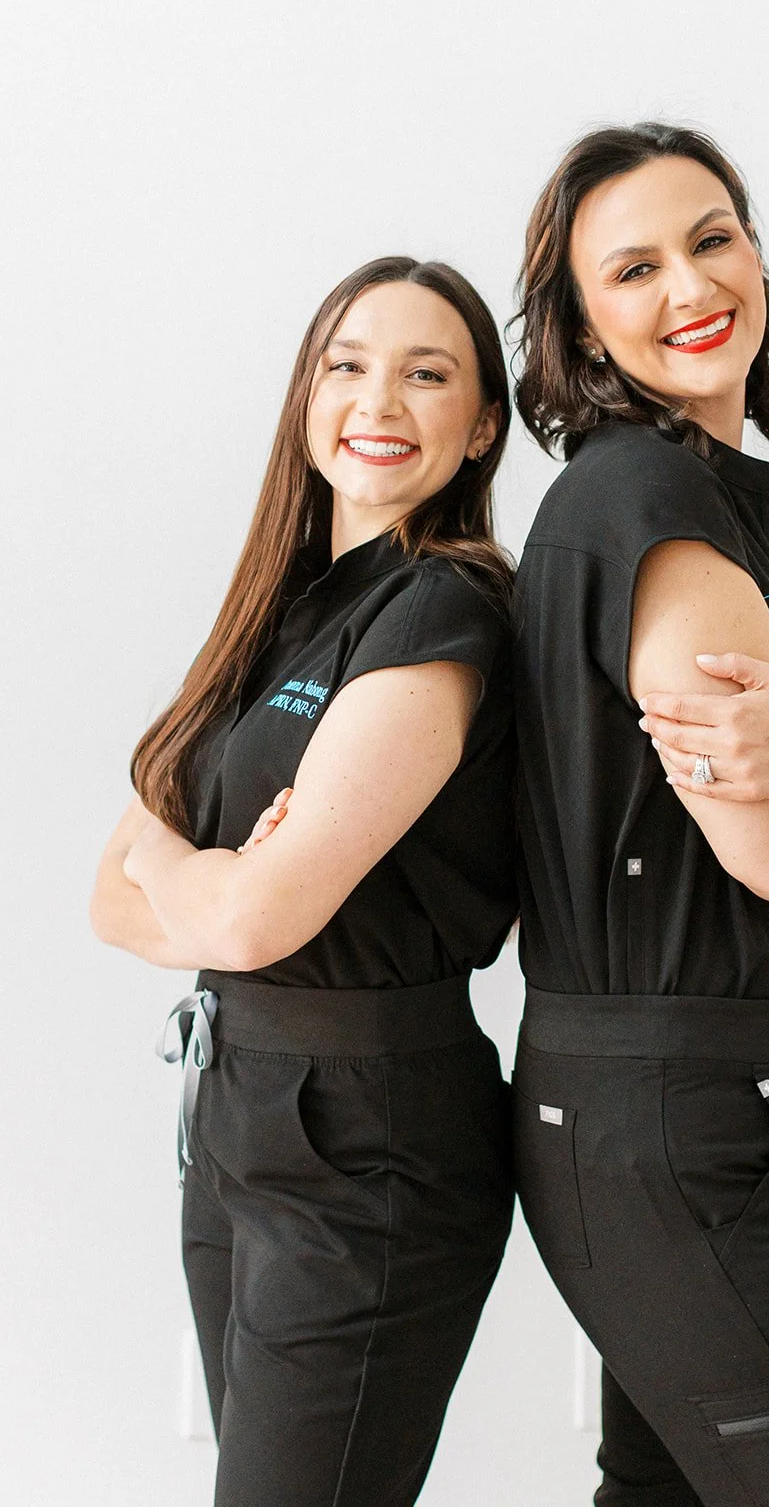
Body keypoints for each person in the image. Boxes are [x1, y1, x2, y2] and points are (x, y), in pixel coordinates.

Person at [509, 123, 769, 1505]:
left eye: (710, 239)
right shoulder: (644, 508)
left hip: (712, 1111)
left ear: (753, 251)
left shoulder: (739, 508)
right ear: (581, 327)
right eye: (629, 269)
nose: (689, 286)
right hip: (673, 1128)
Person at [89, 257, 516, 1507]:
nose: (377, 398)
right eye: (347, 364)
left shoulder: (443, 610)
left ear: (479, 422)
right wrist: (212, 875)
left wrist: (204, 873)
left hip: (369, 1140)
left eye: (426, 372)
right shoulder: (270, 613)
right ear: (304, 396)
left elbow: (237, 909)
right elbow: (105, 897)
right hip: (234, 1113)